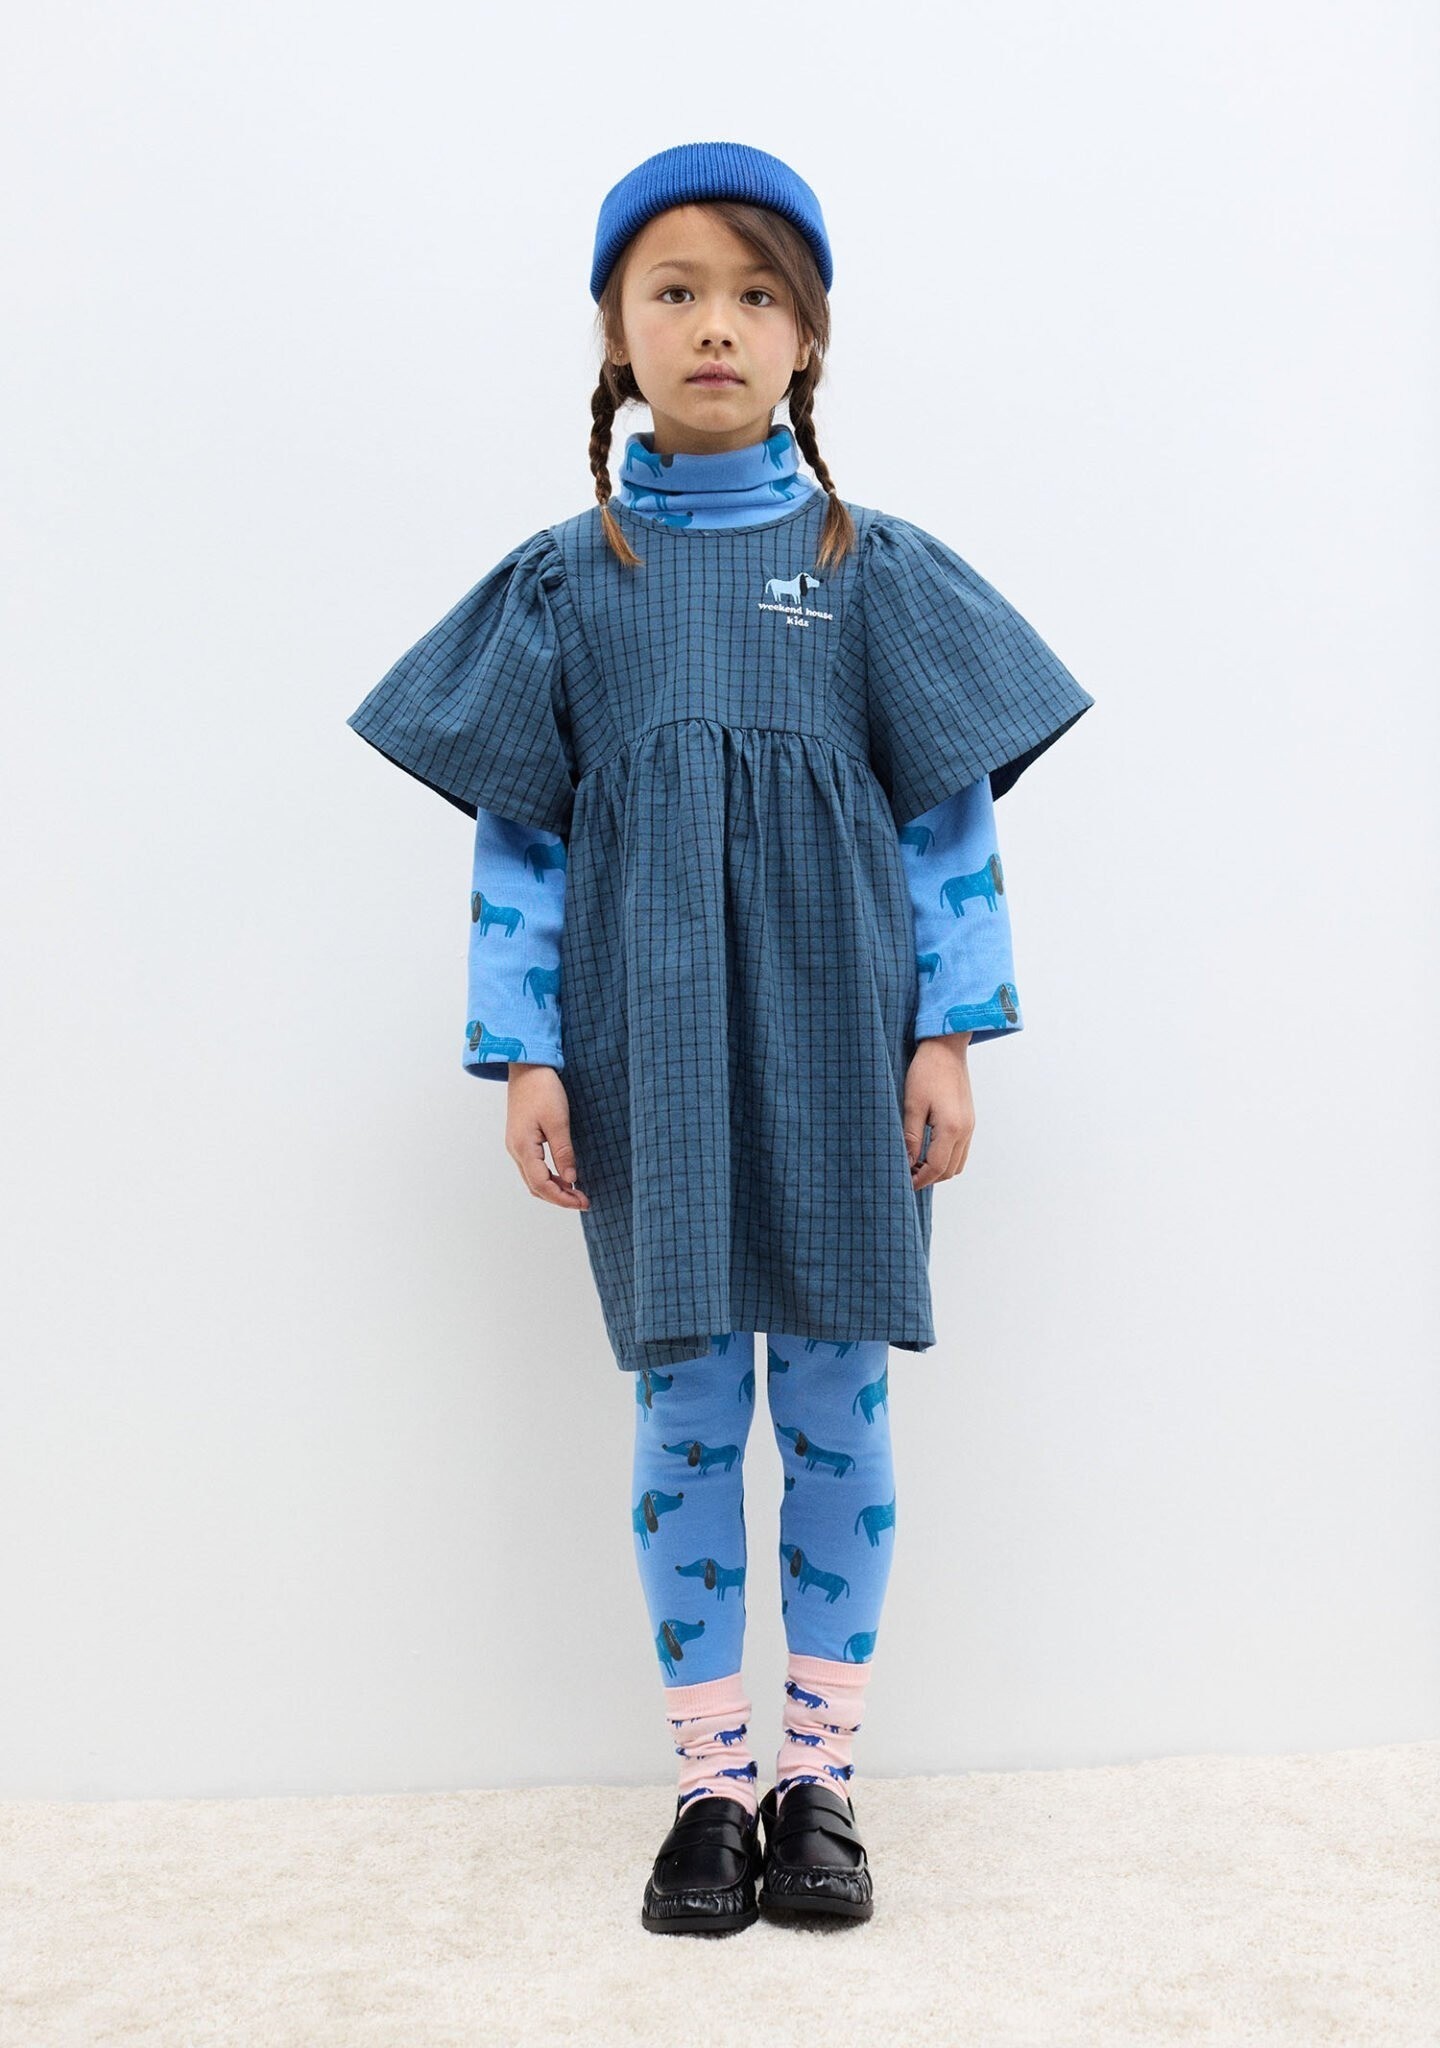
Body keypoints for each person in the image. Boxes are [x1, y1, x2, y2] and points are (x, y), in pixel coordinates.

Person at [345, 140, 1094, 1936]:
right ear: (614, 328)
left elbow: (948, 826)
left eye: (759, 294)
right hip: (646, 1053)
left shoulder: (871, 570)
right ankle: (708, 1788)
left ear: (808, 340)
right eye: (674, 290)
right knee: (687, 1413)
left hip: (845, 1047)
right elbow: (521, 843)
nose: (716, 325)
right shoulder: (566, 583)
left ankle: (818, 1780)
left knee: (836, 1404)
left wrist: (951, 1034)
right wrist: (525, 1052)